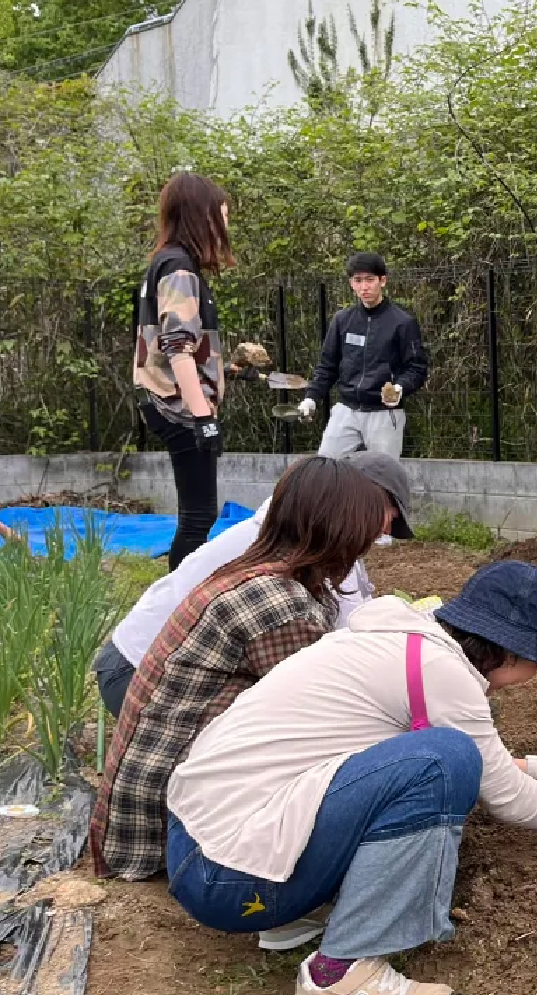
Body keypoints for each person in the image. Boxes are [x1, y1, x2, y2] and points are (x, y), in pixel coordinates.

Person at [164, 562, 537, 995]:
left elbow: (409, 756)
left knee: (440, 757)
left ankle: (301, 912)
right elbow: (504, 795)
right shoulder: (441, 672)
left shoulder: (396, 641)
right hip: (232, 881)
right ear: (510, 652)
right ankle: (340, 978)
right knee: (446, 762)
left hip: (197, 848)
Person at [90, 456, 390, 881]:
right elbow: (325, 714)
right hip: (162, 830)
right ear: (339, 531)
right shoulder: (280, 604)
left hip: (156, 792)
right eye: (366, 533)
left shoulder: (267, 570)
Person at [90, 451, 414, 719]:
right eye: (387, 513)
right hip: (139, 673)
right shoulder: (286, 572)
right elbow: (343, 648)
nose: (384, 529)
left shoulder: (286, 534)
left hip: (148, 667)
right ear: (357, 501)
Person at [133, 172, 233, 570]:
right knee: (199, 517)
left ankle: (177, 600)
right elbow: (177, 348)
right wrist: (204, 418)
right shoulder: (179, 268)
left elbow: (170, 340)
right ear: (201, 216)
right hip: (177, 406)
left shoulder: (166, 262)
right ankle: (177, 603)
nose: (226, 227)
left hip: (164, 398)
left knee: (198, 515)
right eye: (222, 216)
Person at [298, 252, 429, 460]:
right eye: (358, 281)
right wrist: (311, 398)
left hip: (384, 414)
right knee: (324, 468)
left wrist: (399, 388)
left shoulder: (402, 323)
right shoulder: (342, 320)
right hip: (346, 410)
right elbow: (327, 366)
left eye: (370, 280)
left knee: (382, 479)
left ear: (382, 281)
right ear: (351, 283)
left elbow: (417, 368)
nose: (364, 287)